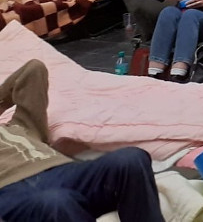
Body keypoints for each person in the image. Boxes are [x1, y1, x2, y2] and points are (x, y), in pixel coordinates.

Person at [0, 60, 164, 222]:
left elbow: (34, 69)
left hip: (63, 173)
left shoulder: (22, 124)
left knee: (131, 159)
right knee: (57, 202)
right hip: (10, 191)